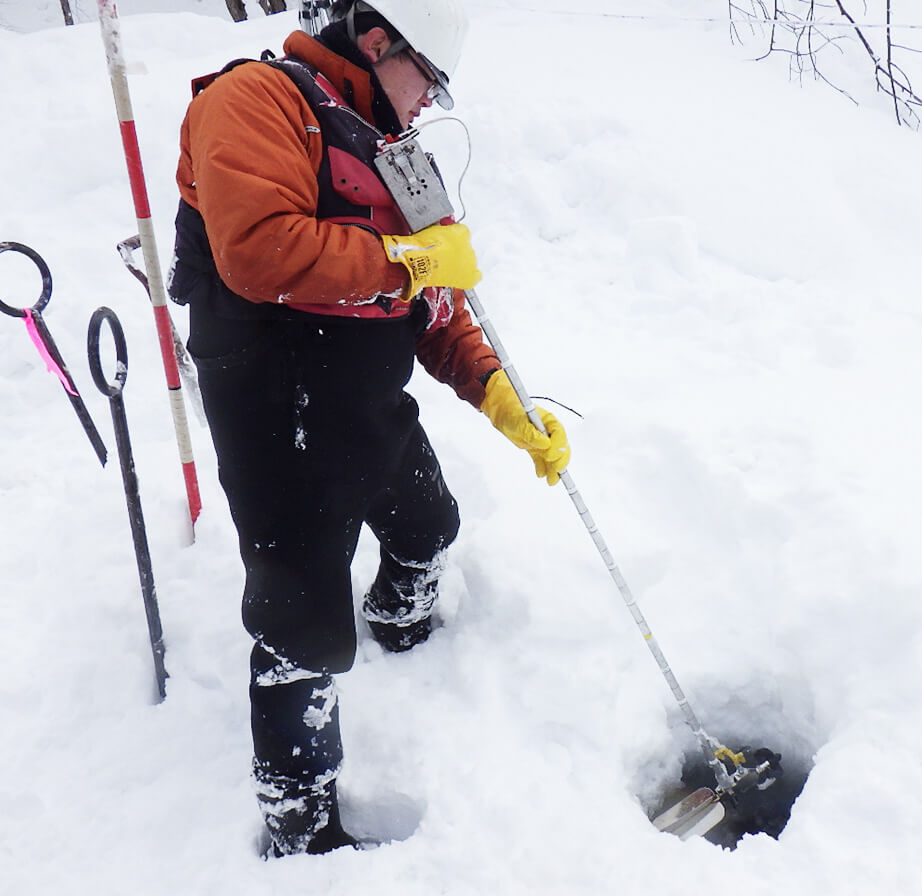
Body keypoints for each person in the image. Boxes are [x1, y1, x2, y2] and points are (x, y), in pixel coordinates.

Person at [168, 0, 571, 857]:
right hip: (278, 409)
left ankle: (403, 627)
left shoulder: (393, 149)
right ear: (380, 40)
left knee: (428, 525)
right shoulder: (255, 101)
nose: (430, 101)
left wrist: (499, 396)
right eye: (428, 76)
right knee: (299, 624)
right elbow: (261, 250)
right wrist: (410, 258)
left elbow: (433, 302)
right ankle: (300, 821)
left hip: (362, 394)